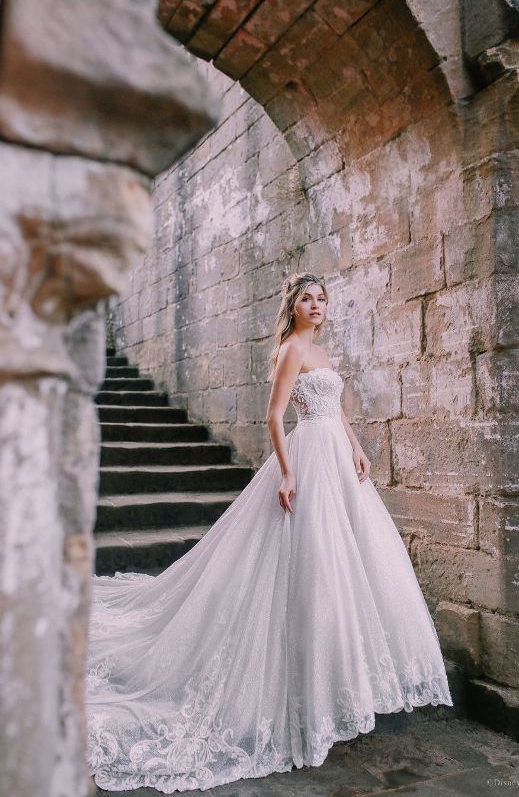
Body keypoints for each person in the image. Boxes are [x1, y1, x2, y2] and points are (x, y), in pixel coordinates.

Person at [86, 271, 453, 793]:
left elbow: (336, 411)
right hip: (307, 460)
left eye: (322, 298)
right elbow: (275, 416)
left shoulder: (322, 354)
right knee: (311, 560)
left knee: (346, 564)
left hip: (338, 461)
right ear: (294, 305)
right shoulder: (290, 351)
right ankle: (305, 685)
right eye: (307, 297)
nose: (316, 304)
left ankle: (339, 679)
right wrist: (287, 472)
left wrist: (357, 445)